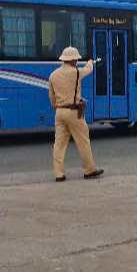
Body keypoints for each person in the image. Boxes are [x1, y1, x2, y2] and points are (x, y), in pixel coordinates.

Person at [49, 47, 104, 182]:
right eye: (76, 59)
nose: (77, 62)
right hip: (73, 112)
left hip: (59, 112)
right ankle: (89, 170)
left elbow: (52, 97)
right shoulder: (75, 73)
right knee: (83, 141)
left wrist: (57, 107)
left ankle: (59, 174)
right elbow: (88, 70)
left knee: (59, 144)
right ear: (73, 60)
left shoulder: (53, 75)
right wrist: (90, 62)